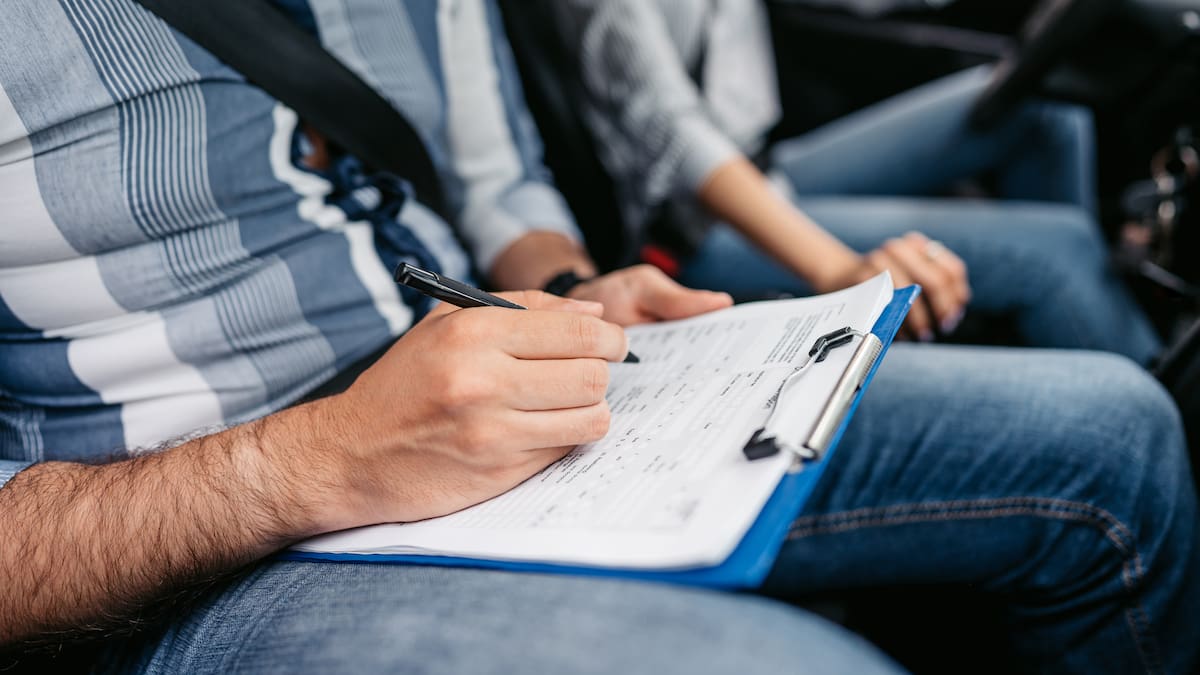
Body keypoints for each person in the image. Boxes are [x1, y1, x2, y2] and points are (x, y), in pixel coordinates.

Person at [1, 2, 1198, 674]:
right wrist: (309, 461)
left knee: (1115, 429)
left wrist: (571, 286)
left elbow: (499, 185)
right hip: (209, 548)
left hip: (500, 387)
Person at [547, 0, 1163, 363]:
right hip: (694, 223)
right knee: (1058, 251)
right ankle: (1149, 403)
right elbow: (670, 133)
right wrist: (837, 269)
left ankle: (1051, 339)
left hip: (769, 160)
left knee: (1045, 106)